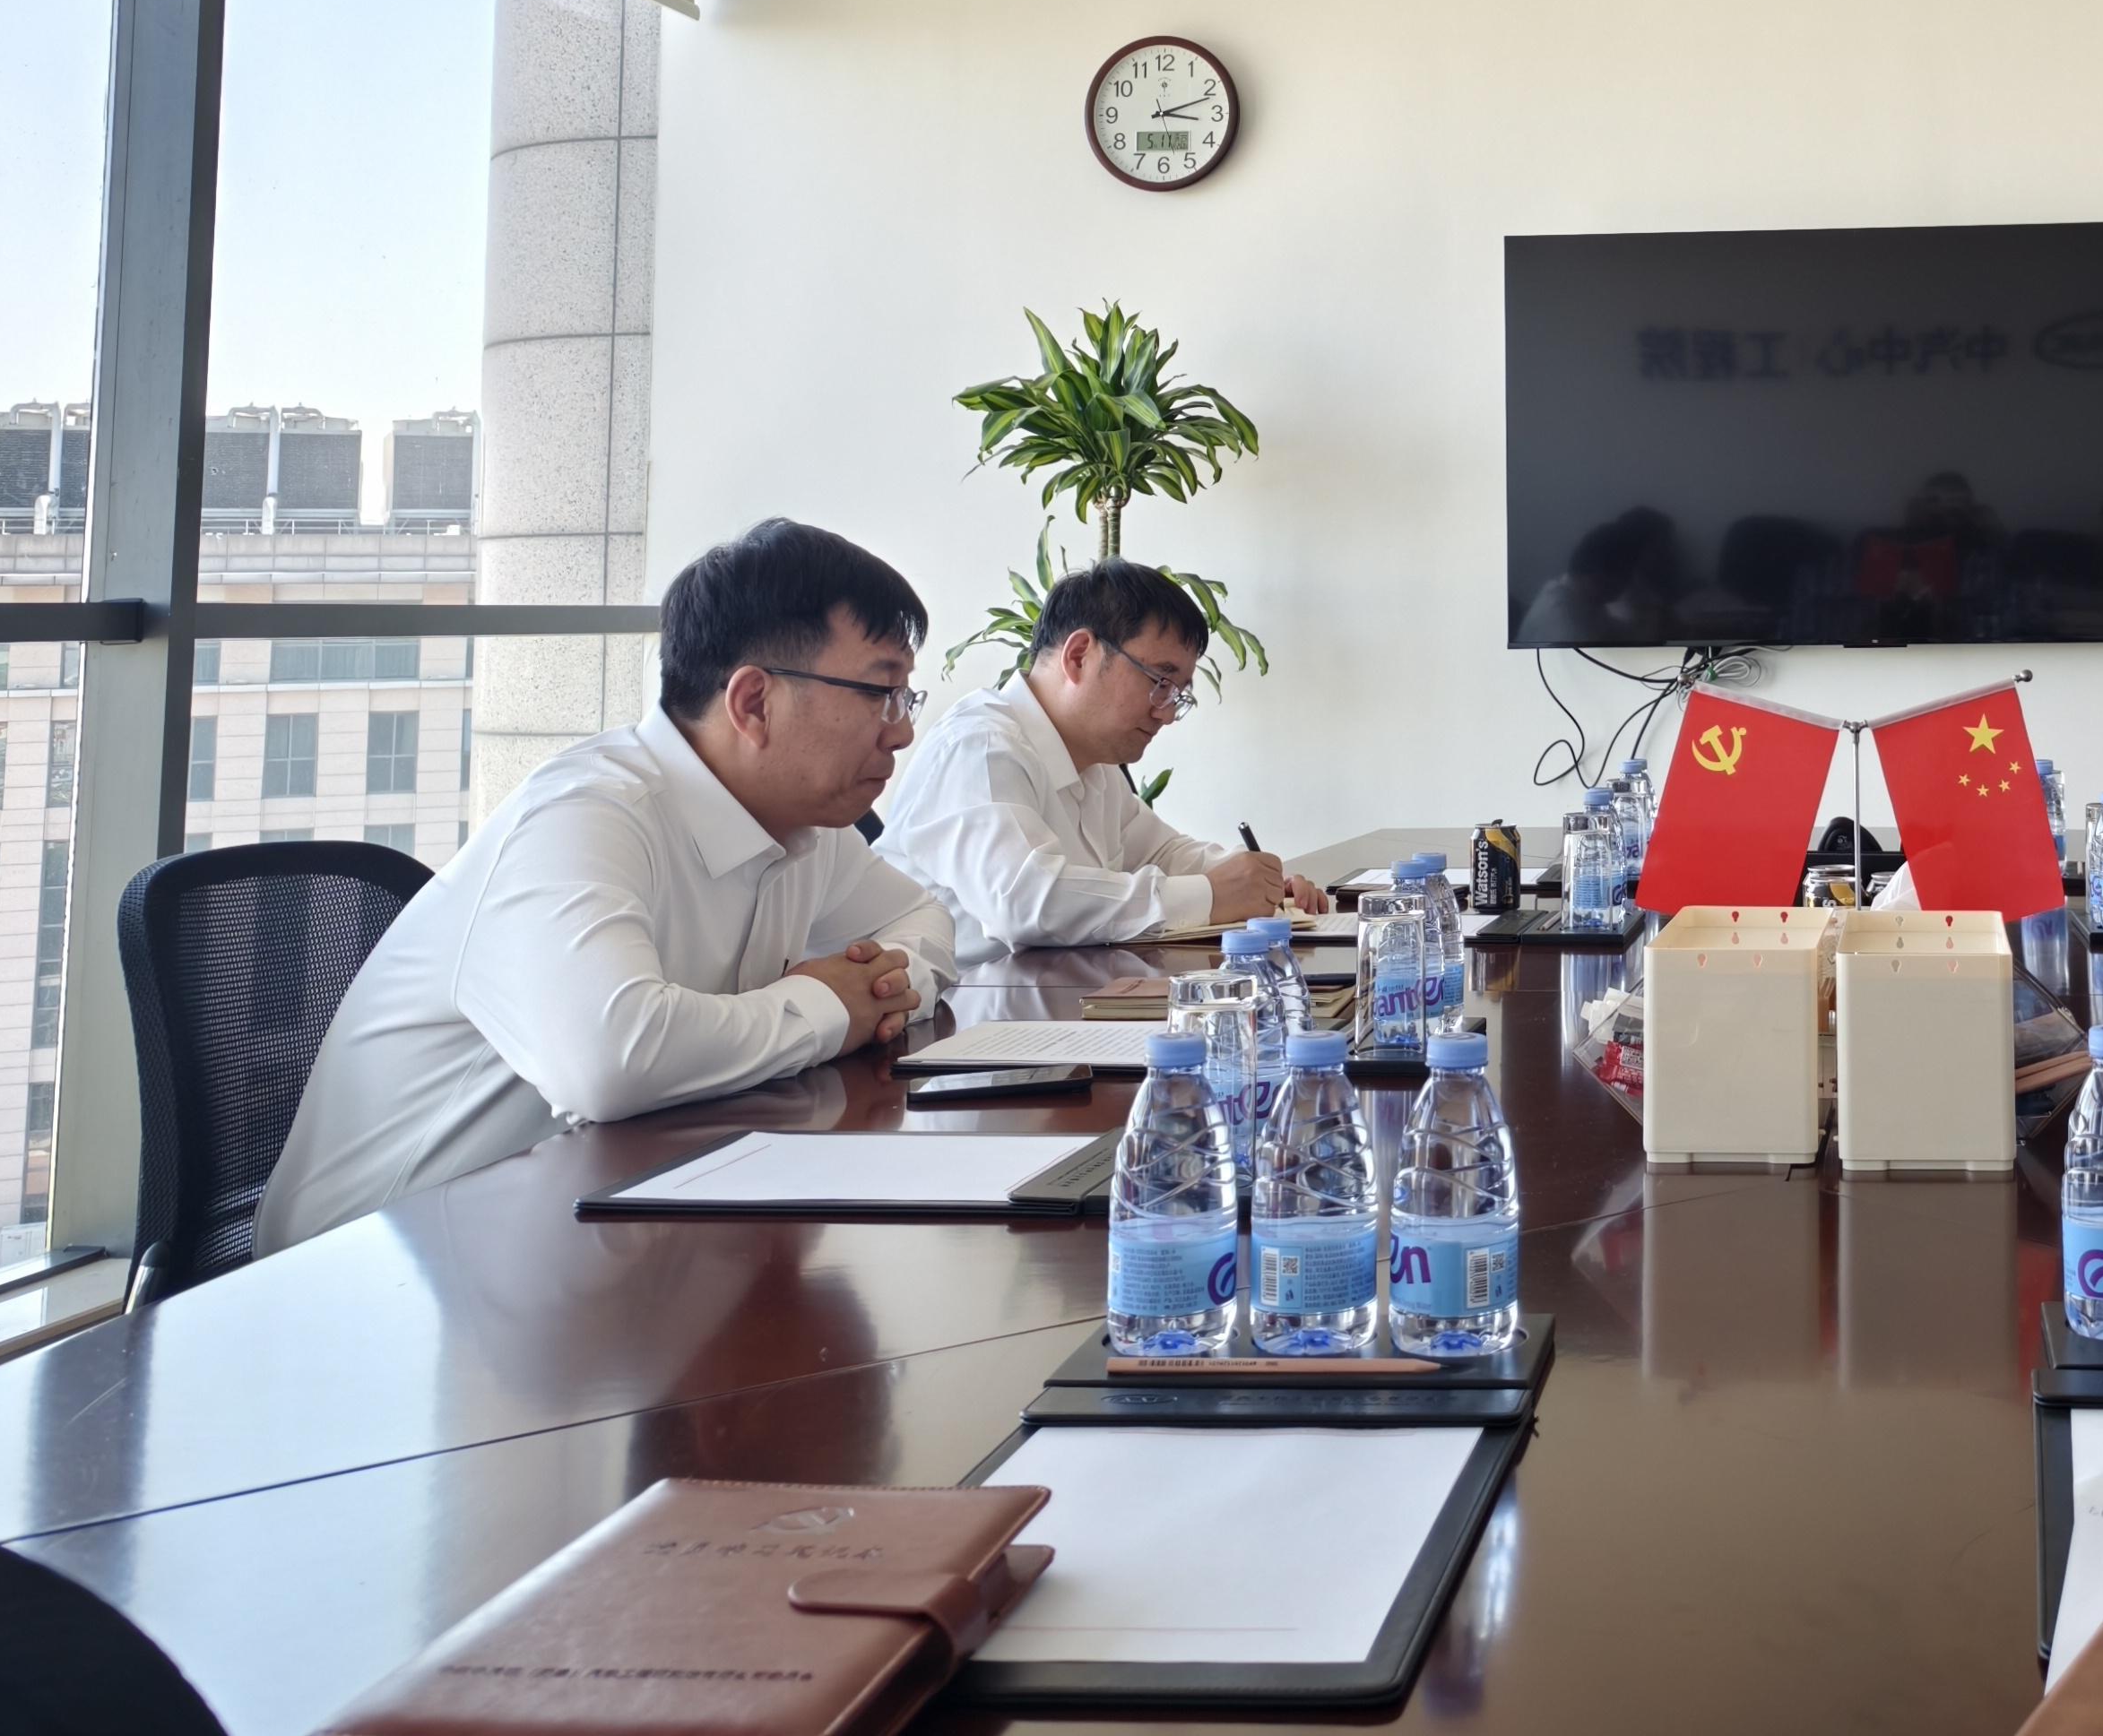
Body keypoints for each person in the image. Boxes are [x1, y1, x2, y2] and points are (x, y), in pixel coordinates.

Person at [255, 520, 958, 1254]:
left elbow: (923, 918)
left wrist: (881, 988)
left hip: (592, 1228)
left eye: (904, 697)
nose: (902, 731)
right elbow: (610, 1061)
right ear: (753, 702)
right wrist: (829, 1005)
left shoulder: (801, 825)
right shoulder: (584, 814)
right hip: (374, 1268)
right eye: (881, 693)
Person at [879, 557, 1322, 961]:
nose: (1167, 713)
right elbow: (1025, 901)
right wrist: (1210, 895)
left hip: (1040, 1001)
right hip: (955, 1012)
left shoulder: (1093, 760)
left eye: (1178, 694)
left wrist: (1258, 883)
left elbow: (1162, 852)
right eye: (1160, 682)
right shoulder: (981, 747)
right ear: (1079, 656)